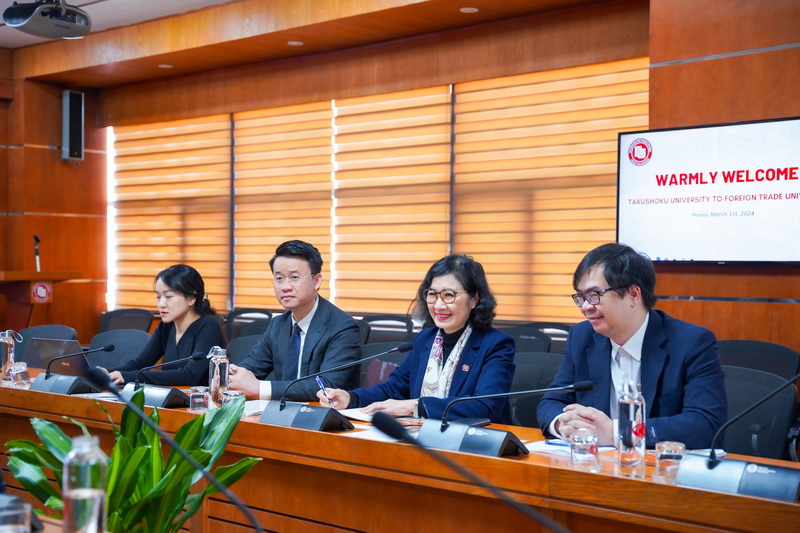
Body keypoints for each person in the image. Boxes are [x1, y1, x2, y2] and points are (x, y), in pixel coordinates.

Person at [536, 243, 727, 449]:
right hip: (594, 462)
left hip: (660, 465)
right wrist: (564, 425)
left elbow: (705, 424)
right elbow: (551, 402)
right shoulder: (582, 337)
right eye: (580, 297)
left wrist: (620, 432)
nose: (585, 307)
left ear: (633, 294)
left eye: (594, 295)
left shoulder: (691, 342)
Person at [318, 254, 516, 423]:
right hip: (424, 436)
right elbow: (393, 390)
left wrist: (415, 406)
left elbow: (485, 406)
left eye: (449, 295)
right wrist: (350, 398)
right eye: (432, 294)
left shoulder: (496, 344)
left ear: (474, 299)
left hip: (477, 443)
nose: (438, 305)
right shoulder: (425, 340)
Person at [229, 240, 360, 401]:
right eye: (279, 278)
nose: (285, 287)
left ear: (316, 281)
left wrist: (259, 387)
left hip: (323, 413)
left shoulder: (342, 327)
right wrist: (232, 375)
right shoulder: (278, 324)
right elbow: (250, 370)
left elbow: (326, 386)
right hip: (281, 410)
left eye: (294, 277)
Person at [104, 264, 225, 386]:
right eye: (158, 297)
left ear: (191, 299)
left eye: (168, 297)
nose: (161, 304)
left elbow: (190, 375)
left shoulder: (208, 326)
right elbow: (139, 364)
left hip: (198, 397)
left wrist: (130, 377)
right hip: (171, 396)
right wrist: (107, 373)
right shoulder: (166, 326)